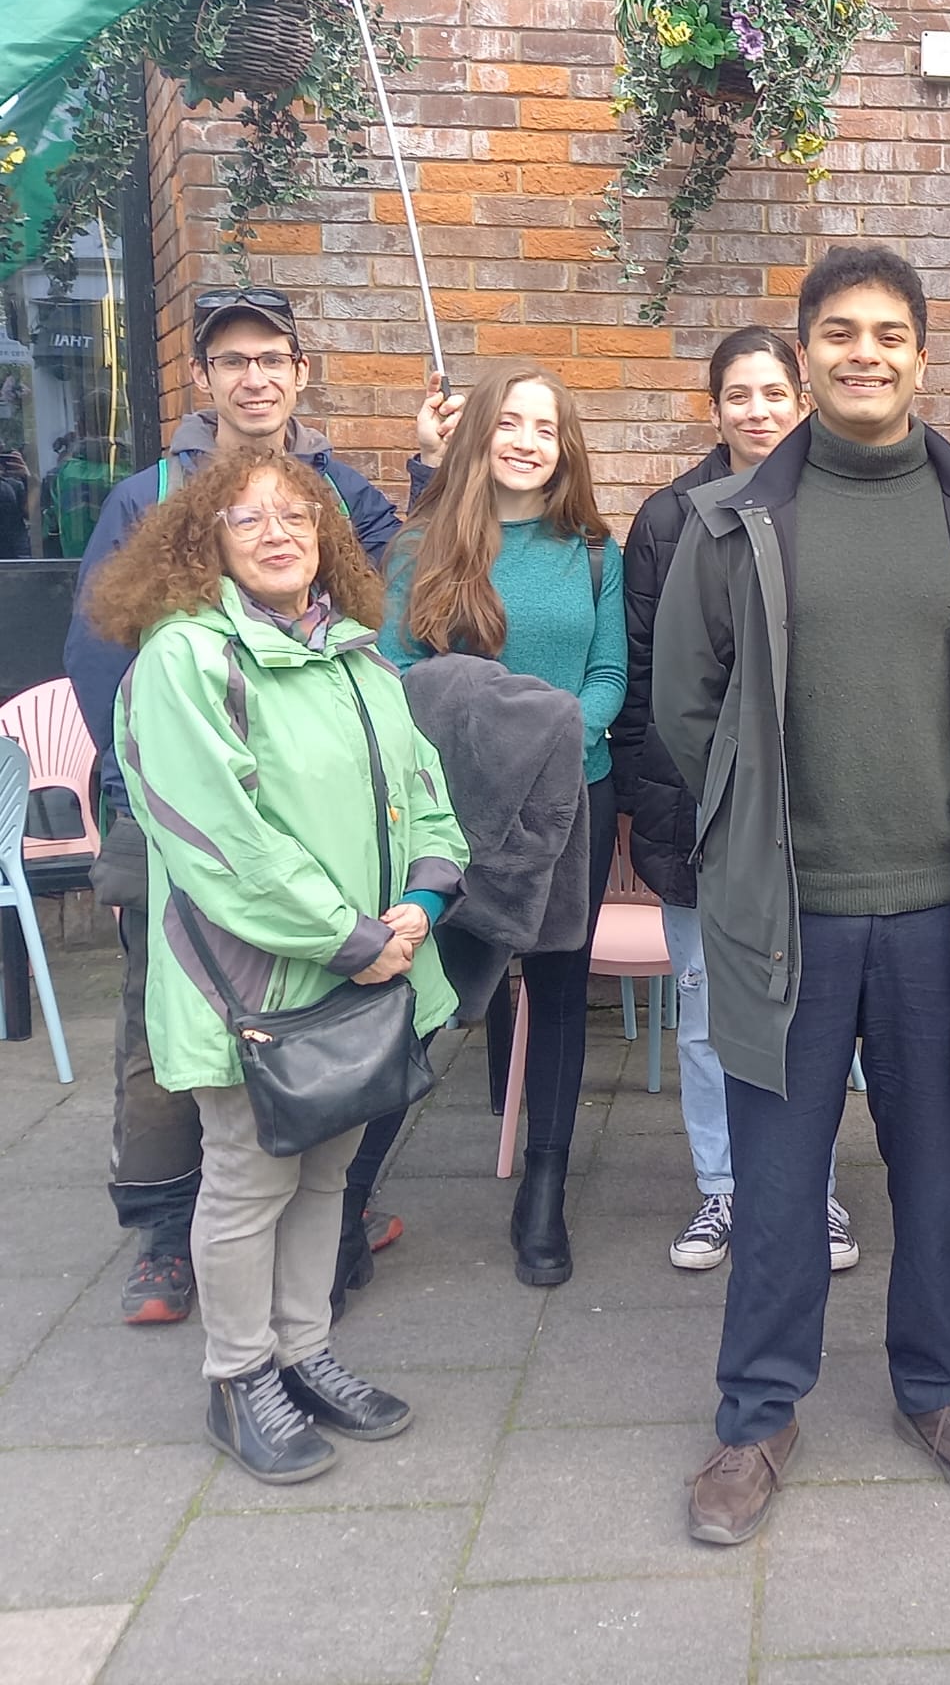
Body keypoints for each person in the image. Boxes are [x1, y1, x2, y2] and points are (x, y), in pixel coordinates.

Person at [653, 244, 950, 1547]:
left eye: (889, 333)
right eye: (840, 332)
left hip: (941, 918)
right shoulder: (735, 524)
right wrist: (750, 836)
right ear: (807, 353)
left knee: (939, 1167)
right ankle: (757, 1413)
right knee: (776, 1180)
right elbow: (683, 707)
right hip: (789, 916)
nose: (865, 353)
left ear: (922, 356)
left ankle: (938, 1389)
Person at [64, 286, 457, 1328]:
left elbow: (397, 573)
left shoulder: (330, 483)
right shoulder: (151, 490)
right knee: (172, 1023)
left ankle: (315, 1194)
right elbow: (101, 653)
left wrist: (428, 467)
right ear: (204, 377)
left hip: (315, 823)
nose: (255, 376)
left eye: (273, 357)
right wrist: (152, 782)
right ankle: (165, 1228)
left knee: (317, 1010)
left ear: (298, 371)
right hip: (177, 813)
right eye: (233, 359)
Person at [88, 450, 465, 1484]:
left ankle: (303, 1350)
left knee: (328, 1172)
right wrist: (354, 934)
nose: (275, 529)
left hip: (362, 968)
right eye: (245, 516)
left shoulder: (356, 655)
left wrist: (423, 899)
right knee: (251, 1180)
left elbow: (424, 794)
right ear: (202, 538)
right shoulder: (185, 659)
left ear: (326, 534)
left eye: (296, 513)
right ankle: (237, 1372)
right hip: (251, 982)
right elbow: (226, 845)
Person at [611, 326, 858, 1276]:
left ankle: (814, 1194)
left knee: (809, 1017)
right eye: (737, 397)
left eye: (772, 393)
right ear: (713, 410)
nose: (758, 412)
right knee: (710, 1015)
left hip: (814, 819)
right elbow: (641, 678)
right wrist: (643, 809)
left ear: (800, 397)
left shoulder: (835, 500)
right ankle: (722, 1191)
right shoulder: (671, 519)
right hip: (696, 811)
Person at [380, 363, 625, 1289]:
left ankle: (545, 1190)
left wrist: (556, 741)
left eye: (547, 428)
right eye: (510, 422)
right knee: (424, 980)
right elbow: (398, 670)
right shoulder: (421, 548)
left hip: (571, 799)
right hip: (451, 805)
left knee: (559, 987)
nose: (527, 441)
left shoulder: (597, 551)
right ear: (477, 432)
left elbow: (610, 677)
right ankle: (355, 1173)